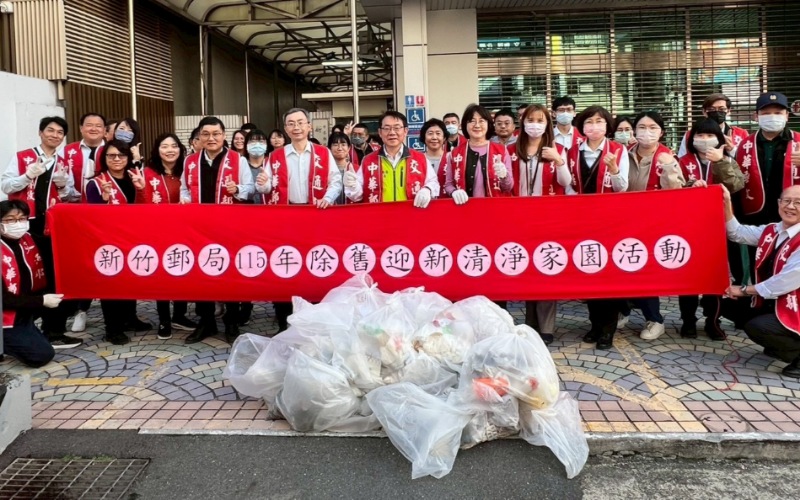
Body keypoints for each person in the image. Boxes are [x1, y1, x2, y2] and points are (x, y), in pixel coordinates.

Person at [255, 108, 342, 332]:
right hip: (287, 215)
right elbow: (265, 187)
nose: (296, 127)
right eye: (291, 123)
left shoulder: (323, 153)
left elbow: (335, 181)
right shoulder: (276, 156)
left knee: (315, 263)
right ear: (285, 129)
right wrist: (262, 182)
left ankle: (314, 314)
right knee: (285, 263)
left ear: (309, 126)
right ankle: (284, 316)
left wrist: (328, 198)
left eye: (301, 122)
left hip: (315, 214)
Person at [2, 116, 81, 349]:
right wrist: (27, 176)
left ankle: (53, 330)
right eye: (50, 130)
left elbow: (70, 196)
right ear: (40, 132)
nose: (54, 135)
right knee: (28, 275)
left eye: (59, 132)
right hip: (24, 226)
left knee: (53, 276)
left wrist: (62, 184)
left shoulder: (62, 161)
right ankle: (26, 326)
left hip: (51, 226)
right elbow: (6, 186)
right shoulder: (23, 157)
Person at [180, 116, 254, 344]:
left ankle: (231, 322)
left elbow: (250, 189)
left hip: (229, 226)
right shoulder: (190, 161)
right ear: (199, 137)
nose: (211, 138)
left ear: (223, 136)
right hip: (199, 228)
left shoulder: (237, 160)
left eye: (216, 134)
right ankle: (206, 322)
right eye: (206, 134)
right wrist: (184, 199)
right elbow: (184, 188)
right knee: (201, 273)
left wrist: (238, 188)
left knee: (230, 273)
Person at [616, 110, 684, 341]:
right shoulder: (623, 154)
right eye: (642, 127)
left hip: (652, 224)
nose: (647, 132)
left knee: (644, 271)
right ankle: (623, 310)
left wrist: (668, 168)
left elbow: (675, 193)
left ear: (661, 131)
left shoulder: (668, 156)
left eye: (653, 127)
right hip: (623, 221)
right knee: (620, 268)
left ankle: (655, 319)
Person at [721, 184, 800, 378]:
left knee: (759, 326)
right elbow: (737, 233)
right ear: (778, 203)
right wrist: (726, 202)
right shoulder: (773, 230)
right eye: (787, 201)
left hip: (794, 303)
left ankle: (796, 354)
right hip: (774, 298)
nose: (791, 206)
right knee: (727, 305)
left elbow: (787, 280)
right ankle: (779, 344)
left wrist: (745, 290)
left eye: (798, 203)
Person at [565, 106, 628, 350]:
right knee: (588, 271)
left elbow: (622, 187)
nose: (594, 126)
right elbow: (568, 186)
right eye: (589, 122)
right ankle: (594, 324)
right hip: (582, 221)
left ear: (607, 125)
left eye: (599, 121)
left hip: (609, 222)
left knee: (607, 275)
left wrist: (613, 169)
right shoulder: (572, 152)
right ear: (581, 126)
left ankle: (607, 329)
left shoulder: (618, 150)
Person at [677, 118, 745, 340]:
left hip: (719, 227)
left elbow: (737, 185)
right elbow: (671, 188)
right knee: (687, 275)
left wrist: (721, 162)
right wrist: (689, 186)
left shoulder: (727, 160)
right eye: (700, 135)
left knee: (715, 275)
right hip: (689, 226)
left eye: (709, 136)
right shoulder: (682, 160)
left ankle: (713, 321)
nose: (704, 140)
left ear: (718, 138)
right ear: (692, 138)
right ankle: (688, 321)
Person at [510, 103, 571, 345]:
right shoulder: (511, 148)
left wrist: (558, 161)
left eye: (540, 120)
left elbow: (565, 182)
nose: (534, 124)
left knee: (546, 268)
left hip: (548, 217)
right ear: (523, 122)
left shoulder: (558, 149)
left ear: (548, 124)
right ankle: (528, 323)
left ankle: (546, 326)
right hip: (519, 217)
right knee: (524, 268)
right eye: (530, 119)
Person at [85, 140, 153, 344]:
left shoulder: (134, 177)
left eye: (121, 156)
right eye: (111, 155)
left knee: (130, 279)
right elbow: (92, 217)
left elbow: (144, 209)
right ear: (104, 159)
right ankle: (112, 328)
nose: (116, 159)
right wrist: (104, 199)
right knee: (110, 283)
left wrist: (141, 189)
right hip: (107, 240)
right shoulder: (96, 183)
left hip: (131, 237)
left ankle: (130, 318)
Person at [136, 133, 199, 338]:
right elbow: (140, 205)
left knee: (182, 271)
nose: (170, 150)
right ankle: (164, 319)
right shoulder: (147, 173)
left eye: (174, 146)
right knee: (161, 276)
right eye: (165, 146)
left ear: (180, 149)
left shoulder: (188, 171)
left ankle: (179, 315)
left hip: (184, 231)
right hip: (157, 232)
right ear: (157, 150)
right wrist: (141, 189)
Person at [735, 92, 800, 285]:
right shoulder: (745, 145)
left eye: (778, 112)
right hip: (756, 214)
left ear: (787, 115)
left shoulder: (798, 141)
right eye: (766, 113)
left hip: (792, 213)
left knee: (790, 262)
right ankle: (757, 304)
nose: (772, 117)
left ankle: (787, 309)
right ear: (756, 116)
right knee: (758, 261)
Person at [1, 200, 64, 367]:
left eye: (22, 218)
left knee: (64, 298)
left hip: (24, 310)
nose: (18, 224)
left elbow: (55, 243)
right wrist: (41, 301)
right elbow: (3, 299)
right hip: (6, 315)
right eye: (10, 220)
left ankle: (33, 332)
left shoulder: (27, 239)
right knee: (41, 355)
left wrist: (54, 217)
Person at [60, 113, 106, 334]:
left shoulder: (112, 151)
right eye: (89, 125)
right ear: (81, 128)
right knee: (84, 261)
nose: (94, 129)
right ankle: (81, 309)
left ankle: (122, 312)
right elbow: (61, 181)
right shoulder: (68, 151)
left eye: (99, 126)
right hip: (77, 213)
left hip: (106, 215)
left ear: (106, 130)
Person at [344, 111, 438, 207]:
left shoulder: (420, 158)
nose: (392, 132)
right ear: (380, 132)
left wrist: (427, 189)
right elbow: (357, 196)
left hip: (411, 216)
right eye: (387, 128)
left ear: (405, 131)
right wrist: (352, 185)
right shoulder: (368, 160)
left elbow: (433, 182)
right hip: (379, 217)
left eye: (397, 128)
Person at [444, 103, 513, 203]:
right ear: (465, 125)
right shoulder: (455, 153)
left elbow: (508, 187)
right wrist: (454, 192)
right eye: (472, 121)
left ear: (488, 124)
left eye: (481, 121)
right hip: (465, 208)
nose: (477, 125)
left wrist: (504, 176)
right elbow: (448, 184)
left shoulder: (501, 150)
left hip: (495, 208)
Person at [678, 93, 748, 158]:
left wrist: (732, 149)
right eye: (711, 109)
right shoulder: (690, 135)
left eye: (721, 109)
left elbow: (747, 161)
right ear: (704, 112)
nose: (717, 112)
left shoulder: (741, 134)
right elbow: (682, 160)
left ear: (729, 111)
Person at [420, 119, 449, 197]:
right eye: (430, 133)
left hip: (447, 204)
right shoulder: (418, 160)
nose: (434, 137)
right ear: (424, 137)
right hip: (423, 205)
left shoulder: (451, 158)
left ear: (444, 138)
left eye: (438, 133)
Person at [328, 132, 354, 205]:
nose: (339, 148)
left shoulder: (356, 168)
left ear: (349, 148)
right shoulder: (325, 169)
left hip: (351, 211)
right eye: (335, 145)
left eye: (343, 144)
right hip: (329, 210)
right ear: (329, 148)